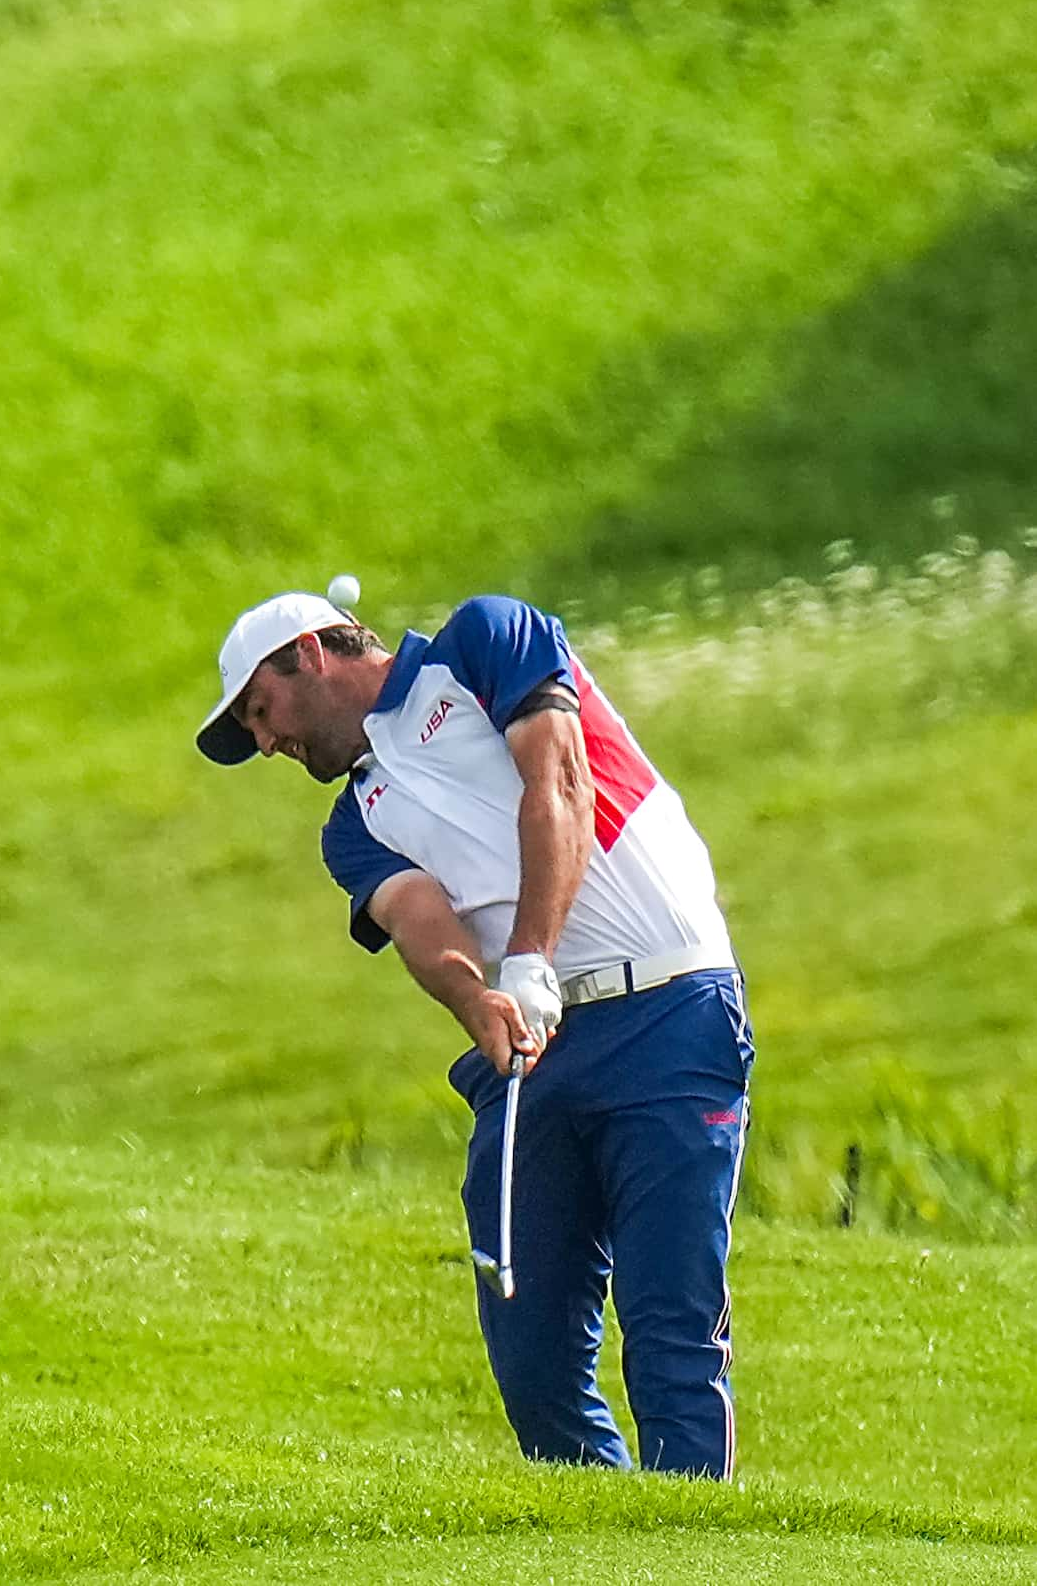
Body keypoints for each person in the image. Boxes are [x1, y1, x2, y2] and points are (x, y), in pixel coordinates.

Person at [196, 589, 754, 1478]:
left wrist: (528, 957)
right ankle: (612, 1557)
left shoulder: (486, 642)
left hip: (669, 1010)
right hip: (537, 1048)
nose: (266, 742)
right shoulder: (354, 825)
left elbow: (560, 783)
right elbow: (422, 923)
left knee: (671, 1331)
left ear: (309, 653)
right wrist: (478, 1002)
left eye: (260, 711)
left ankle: (693, 1560)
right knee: (532, 1356)